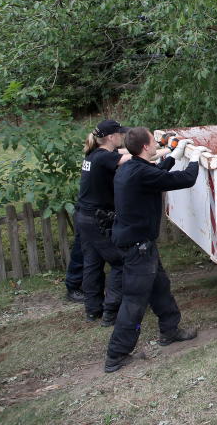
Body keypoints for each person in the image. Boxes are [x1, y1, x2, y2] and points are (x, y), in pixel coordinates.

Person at [104, 127, 201, 373]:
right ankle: (117, 354)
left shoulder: (130, 168)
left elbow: (155, 173)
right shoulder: (138, 172)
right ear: (147, 147)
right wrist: (194, 160)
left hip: (139, 243)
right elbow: (185, 180)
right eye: (152, 142)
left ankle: (170, 330)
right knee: (135, 301)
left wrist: (173, 156)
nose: (155, 144)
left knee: (160, 286)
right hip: (138, 246)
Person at [76, 119, 131, 325]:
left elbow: (124, 152)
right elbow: (132, 157)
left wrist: (159, 150)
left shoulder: (94, 154)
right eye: (120, 134)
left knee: (92, 263)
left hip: (84, 216)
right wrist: (166, 152)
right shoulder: (102, 158)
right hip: (97, 219)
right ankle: (111, 311)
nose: (122, 136)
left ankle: (93, 309)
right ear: (111, 137)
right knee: (119, 262)